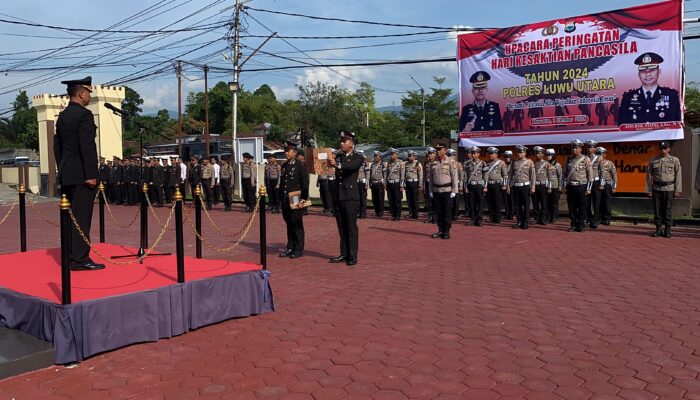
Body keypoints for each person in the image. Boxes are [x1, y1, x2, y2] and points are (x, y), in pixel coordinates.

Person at [53, 76, 104, 271]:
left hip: (67, 173)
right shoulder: (84, 115)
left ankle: (69, 256)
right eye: (88, 92)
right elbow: (87, 146)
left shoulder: (63, 115)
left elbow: (57, 146)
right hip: (83, 175)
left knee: (69, 217)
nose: (89, 96)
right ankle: (80, 259)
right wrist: (91, 174)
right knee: (81, 218)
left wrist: (62, 168)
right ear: (81, 93)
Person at [328, 131, 364, 266]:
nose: (342, 143)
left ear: (351, 143)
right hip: (340, 196)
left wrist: (336, 164)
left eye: (345, 141)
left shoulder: (357, 157)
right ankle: (344, 253)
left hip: (350, 197)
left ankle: (352, 255)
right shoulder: (340, 156)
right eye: (341, 141)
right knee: (342, 227)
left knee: (351, 227)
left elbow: (351, 167)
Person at [618, 52, 681, 125]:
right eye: (643, 71)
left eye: (652, 70)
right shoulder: (628, 98)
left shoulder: (671, 96)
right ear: (639, 75)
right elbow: (622, 125)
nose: (648, 74)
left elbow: (677, 123)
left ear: (659, 72)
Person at [279, 141, 309, 259]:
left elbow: (305, 184)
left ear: (295, 152)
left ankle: (298, 249)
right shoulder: (285, 165)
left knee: (297, 224)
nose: (286, 153)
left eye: (288, 151)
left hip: (296, 197)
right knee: (289, 224)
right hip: (286, 199)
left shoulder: (300, 166)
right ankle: (290, 247)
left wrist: (303, 199)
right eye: (285, 151)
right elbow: (283, 184)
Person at [647, 141, 681, 238]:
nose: (663, 150)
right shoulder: (653, 160)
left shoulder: (674, 160)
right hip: (656, 188)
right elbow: (649, 175)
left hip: (669, 188)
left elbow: (678, 175)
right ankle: (658, 229)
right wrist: (649, 189)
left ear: (669, 149)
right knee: (657, 209)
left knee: (668, 208)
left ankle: (667, 229)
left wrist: (677, 190)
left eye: (665, 148)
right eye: (661, 148)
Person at [428, 144, 458, 239]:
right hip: (436, 191)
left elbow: (454, 176)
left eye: (439, 149)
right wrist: (431, 191)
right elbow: (431, 179)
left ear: (444, 150)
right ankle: (440, 230)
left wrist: (454, 190)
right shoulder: (433, 162)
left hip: (447, 191)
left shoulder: (450, 161)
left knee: (447, 212)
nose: (437, 151)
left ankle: (446, 231)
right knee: (439, 212)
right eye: (436, 149)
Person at [562, 139, 593, 232]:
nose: (574, 150)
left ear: (580, 149)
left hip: (581, 186)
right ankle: (573, 224)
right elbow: (564, 174)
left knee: (582, 206)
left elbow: (590, 174)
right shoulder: (568, 159)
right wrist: (563, 186)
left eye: (576, 148)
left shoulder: (585, 159)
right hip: (571, 186)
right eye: (573, 148)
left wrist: (589, 188)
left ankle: (581, 224)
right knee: (571, 206)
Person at [508, 145, 535, 229]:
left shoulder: (529, 162)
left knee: (526, 205)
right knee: (517, 205)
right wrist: (508, 185)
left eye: (521, 152)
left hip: (525, 186)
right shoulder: (514, 162)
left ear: (525, 153)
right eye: (518, 152)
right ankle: (519, 221)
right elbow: (510, 175)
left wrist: (533, 187)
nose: (519, 154)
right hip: (516, 186)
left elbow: (533, 175)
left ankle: (525, 222)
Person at [483, 147, 508, 224]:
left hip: (497, 185)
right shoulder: (487, 163)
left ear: (496, 154)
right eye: (490, 154)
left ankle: (497, 218)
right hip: (489, 185)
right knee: (490, 202)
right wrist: (485, 186)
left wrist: (504, 185)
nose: (491, 155)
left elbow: (505, 175)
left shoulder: (501, 163)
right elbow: (486, 176)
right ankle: (491, 216)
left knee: (497, 202)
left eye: (492, 154)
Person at [464, 146, 486, 226]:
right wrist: (465, 186)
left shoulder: (483, 163)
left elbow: (485, 175)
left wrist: (485, 186)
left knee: (480, 203)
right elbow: (465, 176)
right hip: (470, 185)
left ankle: (479, 219)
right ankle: (473, 219)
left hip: (479, 185)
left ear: (478, 154)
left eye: (474, 153)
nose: (473, 155)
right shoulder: (468, 163)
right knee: (471, 203)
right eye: (472, 153)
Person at [597, 147, 617, 225]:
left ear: (605, 154)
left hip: (607, 184)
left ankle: (607, 218)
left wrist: (614, 187)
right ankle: (598, 217)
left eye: (601, 153)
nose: (600, 155)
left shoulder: (609, 163)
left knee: (607, 201)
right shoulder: (594, 163)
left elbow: (614, 175)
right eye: (598, 154)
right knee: (598, 202)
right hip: (598, 184)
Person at [385, 148, 405, 221]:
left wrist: (402, 185)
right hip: (390, 183)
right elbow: (386, 175)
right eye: (390, 154)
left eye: (392, 154)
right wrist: (386, 184)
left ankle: (397, 215)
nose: (391, 156)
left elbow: (402, 175)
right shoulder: (389, 162)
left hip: (397, 184)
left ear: (396, 155)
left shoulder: (400, 163)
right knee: (391, 200)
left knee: (397, 200)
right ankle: (393, 215)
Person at [532, 146, 550, 225]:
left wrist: (549, 186)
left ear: (543, 154)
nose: (537, 155)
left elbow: (550, 176)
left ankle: (543, 218)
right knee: (535, 203)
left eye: (539, 153)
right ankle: (536, 218)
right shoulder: (533, 163)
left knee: (543, 203)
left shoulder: (547, 164)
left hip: (543, 186)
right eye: (536, 153)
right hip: (535, 185)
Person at [404, 150, 423, 219]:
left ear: (414, 156)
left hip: (415, 183)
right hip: (408, 183)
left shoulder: (418, 164)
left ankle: (415, 213)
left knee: (415, 199)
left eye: (410, 156)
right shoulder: (406, 164)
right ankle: (410, 212)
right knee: (409, 199)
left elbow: (420, 175)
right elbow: (404, 175)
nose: (409, 157)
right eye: (408, 156)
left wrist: (420, 185)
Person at [545, 149, 562, 223]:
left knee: (554, 202)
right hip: (547, 186)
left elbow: (560, 176)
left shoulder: (557, 165)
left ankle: (554, 216)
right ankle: (548, 216)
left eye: (550, 155)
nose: (548, 157)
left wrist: (560, 186)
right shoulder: (545, 164)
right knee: (547, 202)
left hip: (555, 186)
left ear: (553, 156)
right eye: (547, 155)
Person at [369, 151, 386, 217]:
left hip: (380, 183)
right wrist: (370, 182)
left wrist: (384, 184)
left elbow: (385, 175)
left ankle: (381, 212)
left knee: (380, 198)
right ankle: (376, 211)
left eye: (377, 156)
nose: (375, 157)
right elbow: (370, 174)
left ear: (380, 157)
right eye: (375, 156)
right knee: (374, 199)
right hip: (373, 183)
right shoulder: (372, 165)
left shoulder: (382, 165)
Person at [423, 147, 436, 223]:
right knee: (429, 200)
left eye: (431, 154)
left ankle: (436, 217)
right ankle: (431, 216)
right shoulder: (426, 163)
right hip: (428, 183)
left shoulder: (437, 162)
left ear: (434, 154)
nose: (429, 155)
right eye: (428, 154)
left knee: (435, 201)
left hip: (435, 184)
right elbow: (425, 174)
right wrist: (424, 185)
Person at [449, 148, 462, 220]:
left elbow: (461, 174)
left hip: (456, 183)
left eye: (452, 155)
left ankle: (455, 214)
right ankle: (450, 214)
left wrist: (461, 185)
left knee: (456, 200)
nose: (451, 157)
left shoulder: (458, 164)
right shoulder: (446, 163)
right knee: (449, 200)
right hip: (448, 183)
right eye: (449, 155)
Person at [503, 150, 514, 219]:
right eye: (506, 157)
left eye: (509, 157)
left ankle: (511, 214)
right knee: (505, 200)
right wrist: (505, 185)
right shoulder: (503, 164)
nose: (507, 158)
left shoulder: (514, 164)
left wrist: (509, 186)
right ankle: (507, 214)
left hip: (512, 185)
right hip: (505, 184)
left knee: (511, 201)